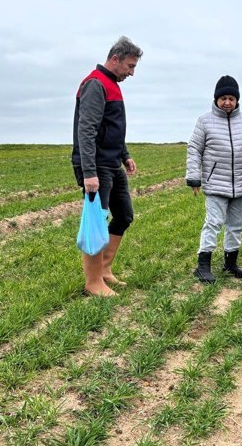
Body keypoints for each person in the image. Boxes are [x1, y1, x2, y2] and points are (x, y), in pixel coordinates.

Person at [72, 36, 143, 297]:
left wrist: (124, 155)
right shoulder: (95, 83)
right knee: (97, 221)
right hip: (97, 166)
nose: (131, 73)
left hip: (112, 163)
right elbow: (87, 130)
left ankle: (103, 270)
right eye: (130, 66)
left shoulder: (112, 84)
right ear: (115, 59)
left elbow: (111, 127)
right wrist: (89, 172)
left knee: (123, 215)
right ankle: (92, 283)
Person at [186, 75, 242, 283]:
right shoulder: (204, 121)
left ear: (237, 100)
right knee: (213, 223)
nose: (228, 102)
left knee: (236, 225)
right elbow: (194, 149)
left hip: (241, 183)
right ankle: (203, 266)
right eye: (223, 98)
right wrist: (194, 177)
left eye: (232, 98)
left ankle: (230, 263)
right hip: (215, 184)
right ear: (216, 100)